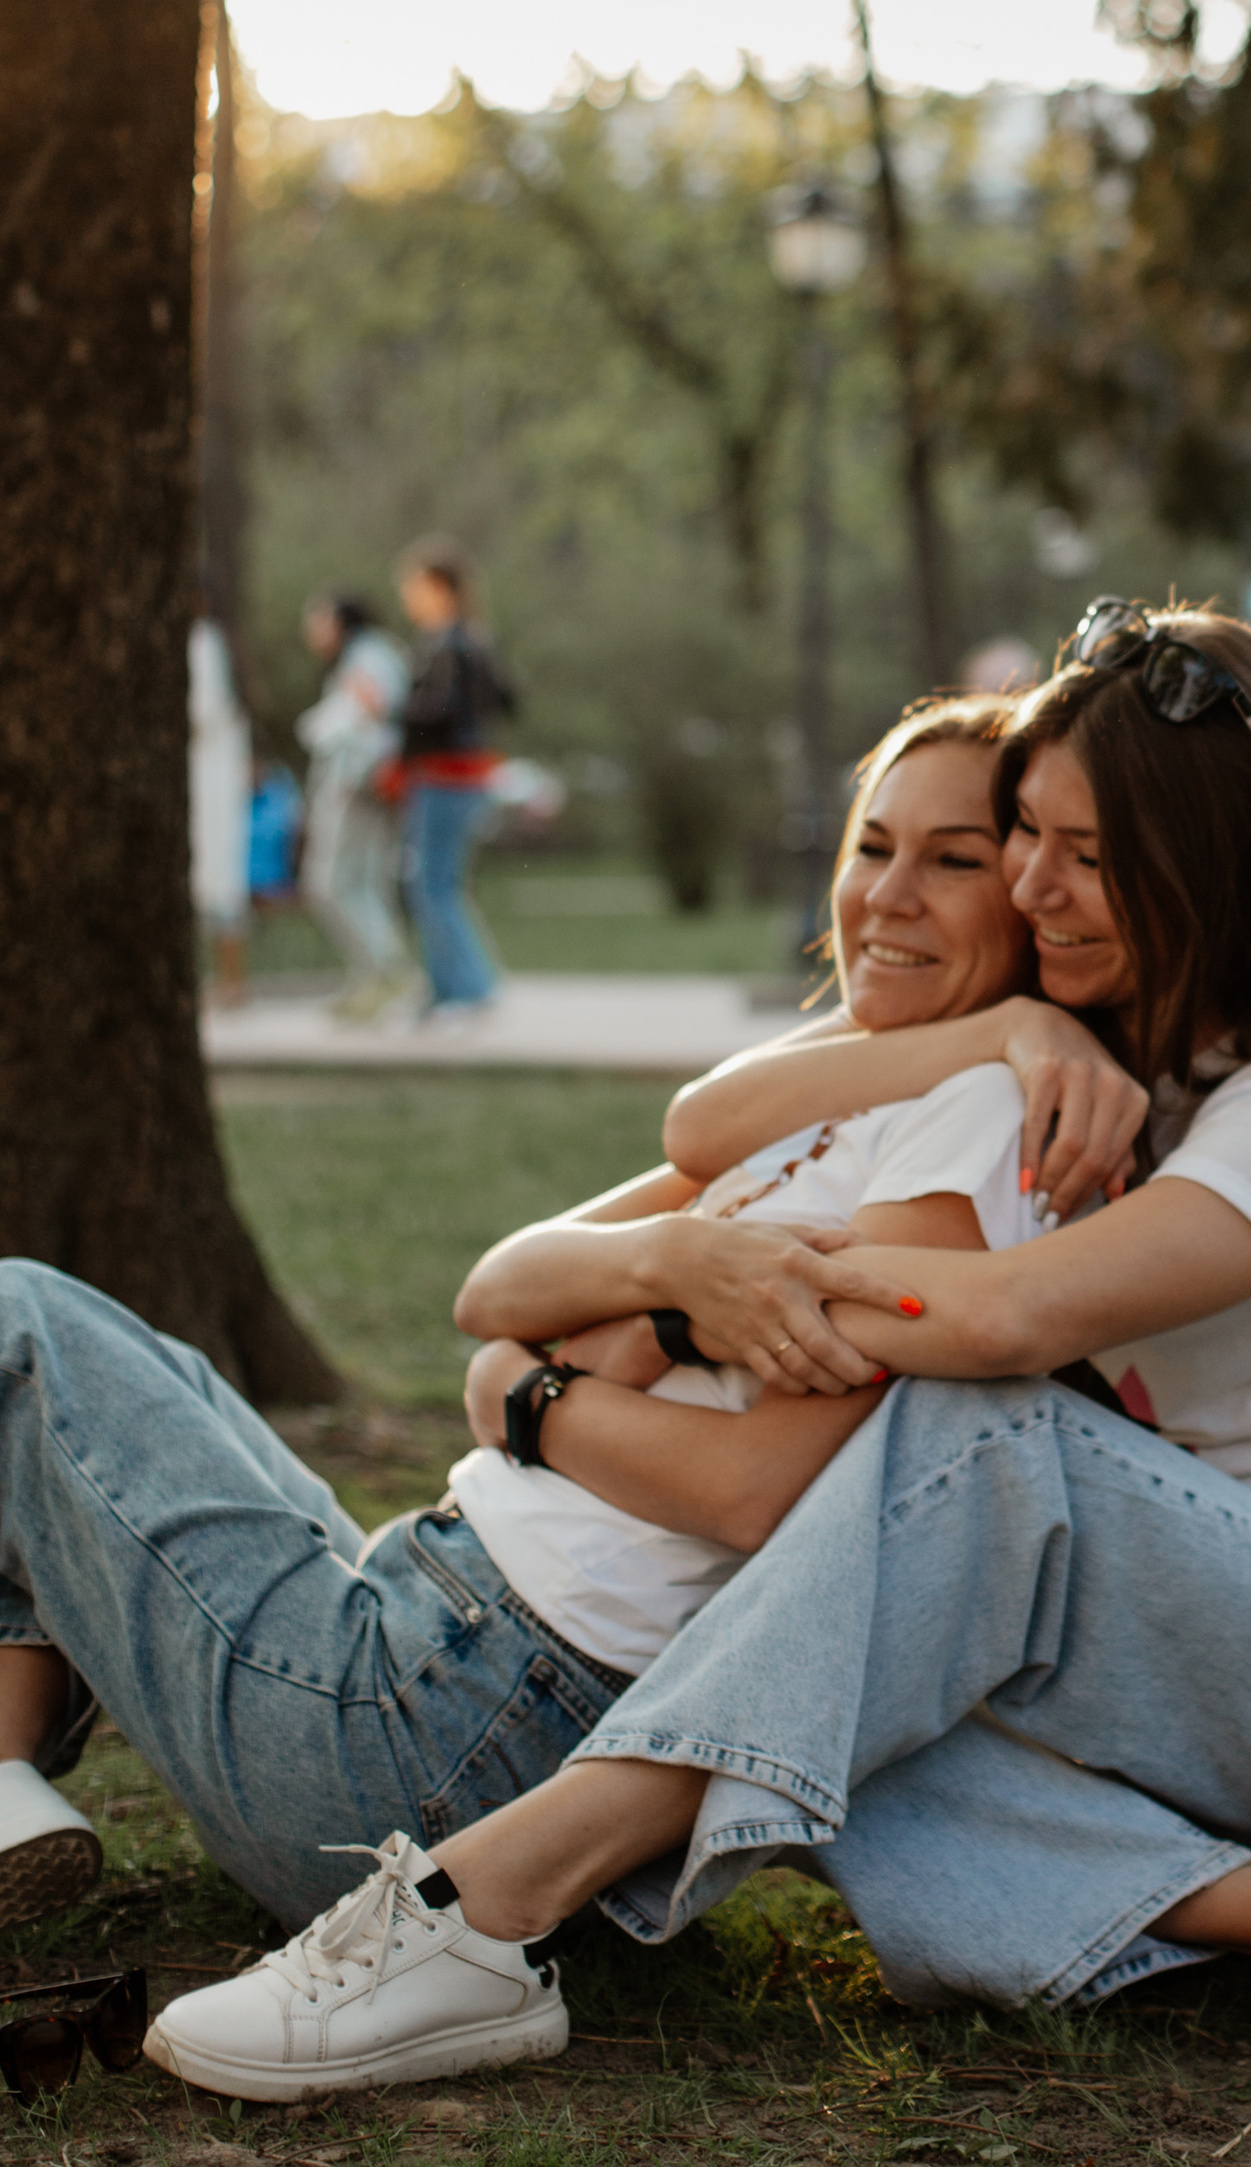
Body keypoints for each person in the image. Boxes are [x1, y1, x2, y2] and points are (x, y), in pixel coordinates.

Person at [146, 605, 1251, 2101]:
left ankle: (482, 1909)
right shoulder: (1066, 1064)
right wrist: (993, 1031)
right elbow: (697, 1134)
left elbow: (1000, 1320)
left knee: (971, 1433)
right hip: (1141, 1669)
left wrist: (671, 1310)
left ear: (1220, 866)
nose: (1032, 882)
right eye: (1029, 839)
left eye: (1087, 853)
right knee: (819, 1664)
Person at [0, 701, 1031, 1950]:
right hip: (434, 1642)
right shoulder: (858, 1093)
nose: (892, 894)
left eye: (956, 858)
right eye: (873, 846)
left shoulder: (969, 1123)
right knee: (143, 1387)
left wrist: (535, 1399)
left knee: (22, 1335)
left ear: (1029, 891)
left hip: (439, 1744)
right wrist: (671, 1268)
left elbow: (756, 1490)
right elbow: (497, 1291)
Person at [395, 538, 516, 1017]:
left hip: (447, 773)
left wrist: (394, 713)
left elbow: (441, 711)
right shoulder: (473, 638)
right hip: (456, 772)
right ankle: (446, 988)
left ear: (439, 587)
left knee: (433, 883)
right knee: (432, 880)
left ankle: (468, 987)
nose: (408, 595)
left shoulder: (449, 642)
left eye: (414, 585)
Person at [296, 592, 412, 1020]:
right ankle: (374, 977)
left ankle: (388, 976)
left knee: (332, 883)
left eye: (319, 621)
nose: (312, 632)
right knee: (362, 883)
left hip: (357, 787)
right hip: (362, 786)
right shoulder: (371, 654)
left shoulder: (368, 656)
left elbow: (377, 708)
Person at [188, 589, 253, 1010]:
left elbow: (203, 712)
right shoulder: (204, 643)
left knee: (219, 880)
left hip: (211, 779)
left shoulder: (203, 644)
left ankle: (232, 981)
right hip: (206, 775)